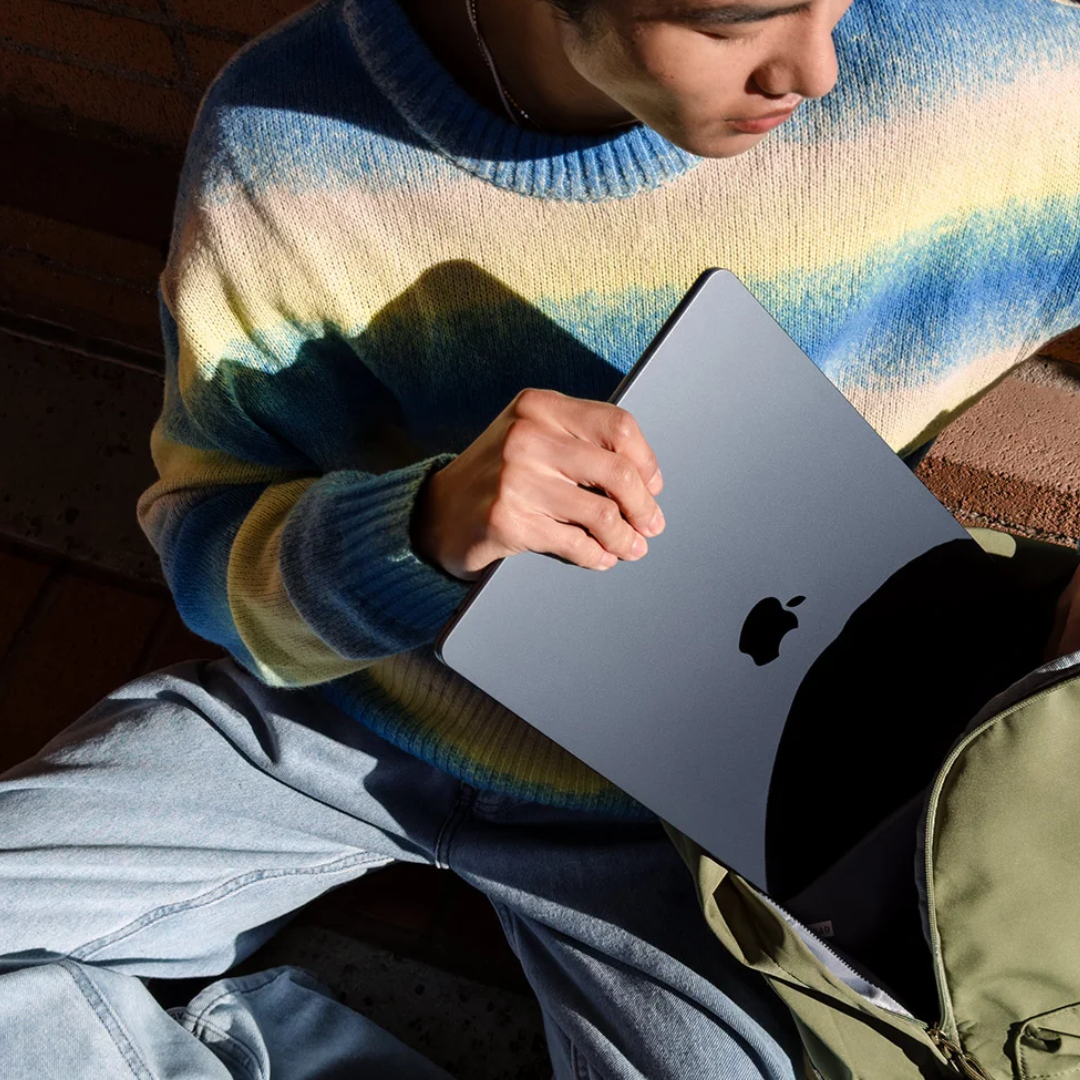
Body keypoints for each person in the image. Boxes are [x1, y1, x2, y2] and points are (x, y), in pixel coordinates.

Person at [3, 0, 1080, 1076]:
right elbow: (206, 538)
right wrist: (413, 534)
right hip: (337, 725)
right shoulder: (288, 139)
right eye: (731, 22)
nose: (813, 67)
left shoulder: (987, 71)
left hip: (676, 823)